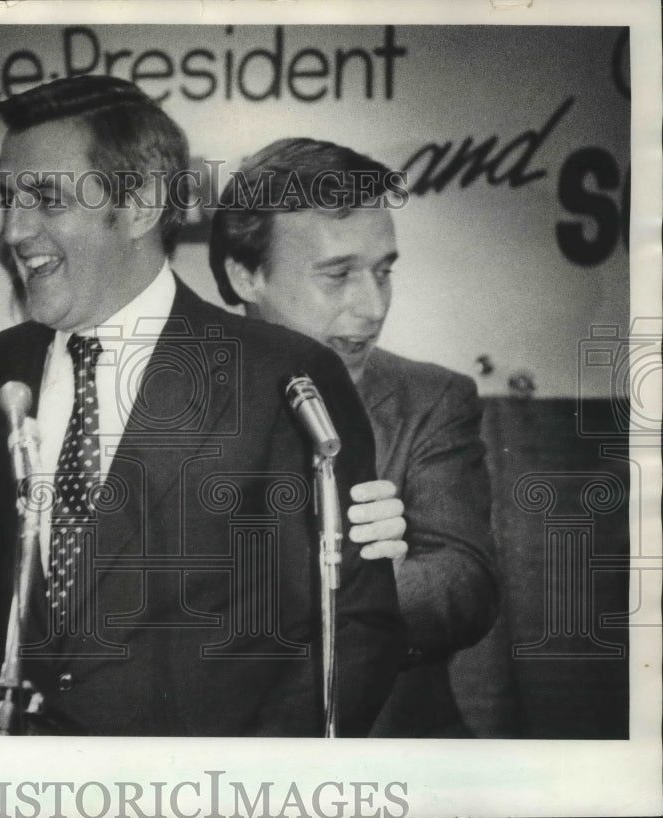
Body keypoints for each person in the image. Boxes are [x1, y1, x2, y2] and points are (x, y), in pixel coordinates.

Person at [0, 77, 404, 736]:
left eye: (45, 199)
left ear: (143, 205)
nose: (13, 230)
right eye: (9, 199)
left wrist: (244, 792)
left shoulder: (285, 377)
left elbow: (355, 626)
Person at [209, 137, 500, 737]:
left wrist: (354, 589)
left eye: (383, 272)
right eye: (337, 275)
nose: (372, 307)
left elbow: (464, 584)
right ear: (245, 275)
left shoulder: (433, 398)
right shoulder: (171, 405)